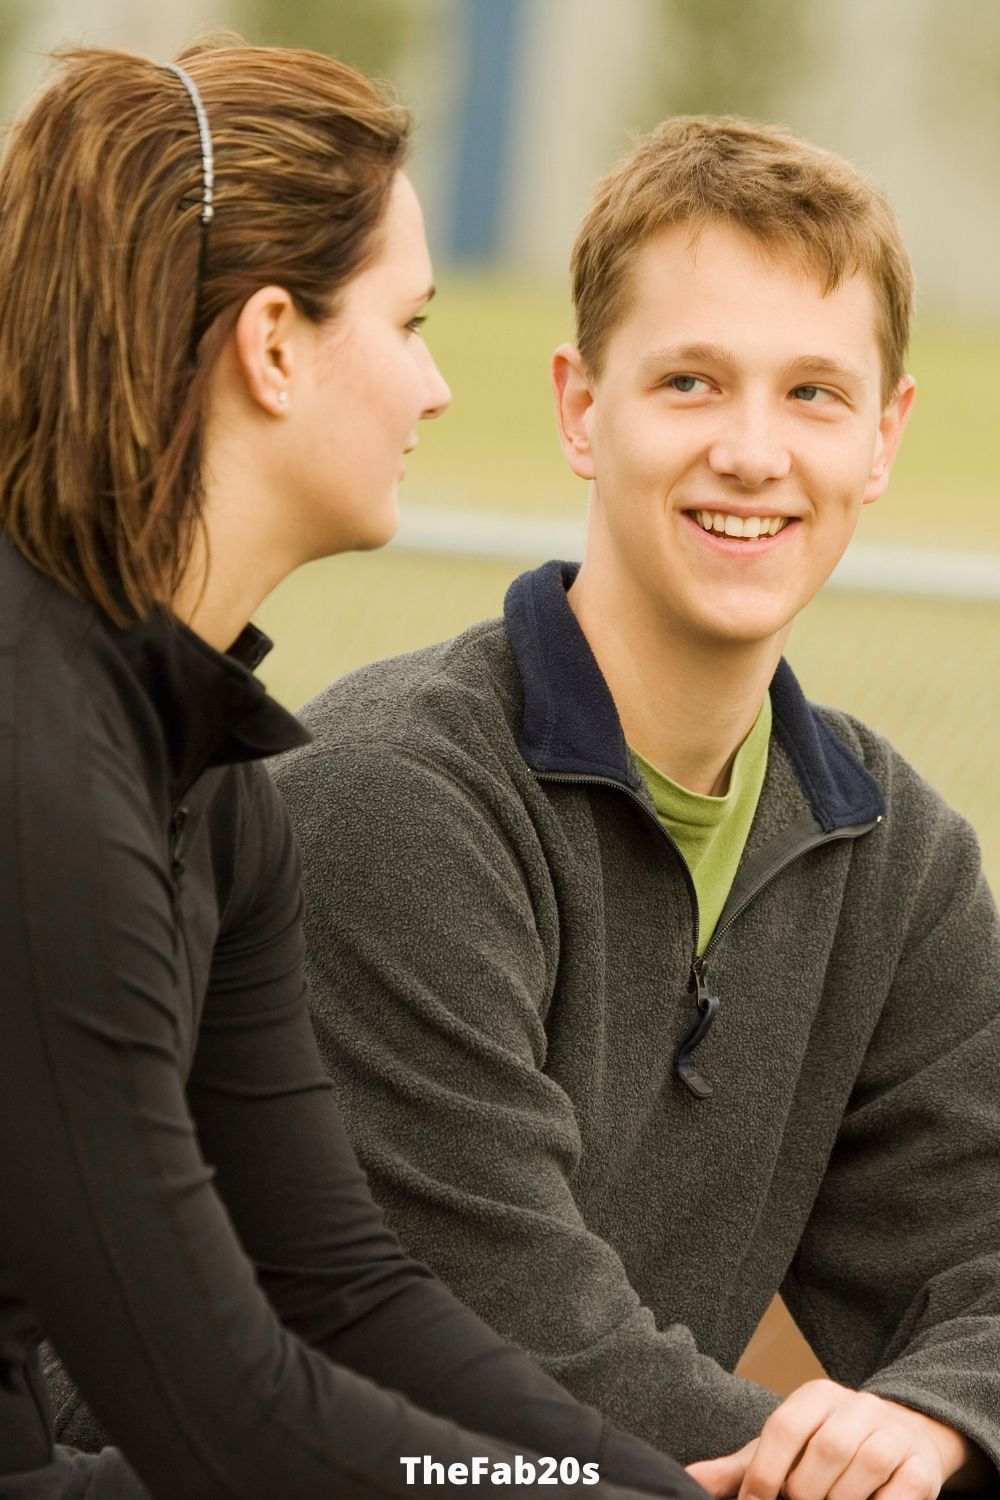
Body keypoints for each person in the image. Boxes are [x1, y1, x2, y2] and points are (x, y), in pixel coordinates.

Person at [0, 40, 712, 1500]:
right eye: (410, 321)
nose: (437, 387)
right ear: (274, 343)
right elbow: (224, 1421)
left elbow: (343, 1287)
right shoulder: (39, 768)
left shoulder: (213, 781)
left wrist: (649, 1483)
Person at [272, 117, 1000, 1500]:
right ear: (579, 408)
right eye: (689, 381)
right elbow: (497, 1327)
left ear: (884, 437)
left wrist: (941, 1417)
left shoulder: (893, 855)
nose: (751, 451)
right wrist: (814, 1471)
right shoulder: (388, 798)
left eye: (813, 395)